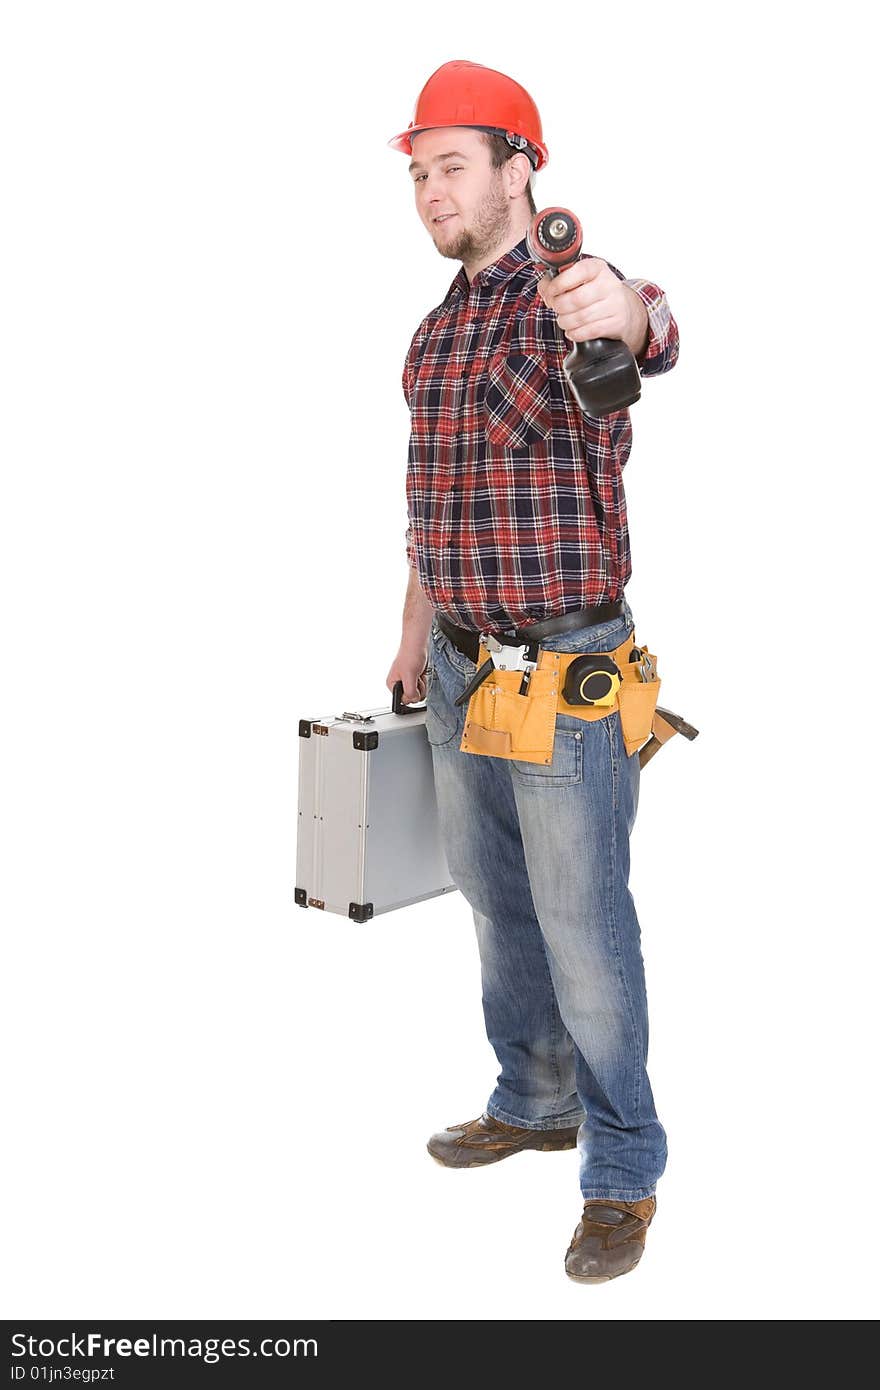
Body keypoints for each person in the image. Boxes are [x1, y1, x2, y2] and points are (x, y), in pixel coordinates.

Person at [385, 60, 680, 1283]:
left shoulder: (566, 294)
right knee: (492, 899)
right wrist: (411, 632)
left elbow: (645, 325)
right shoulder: (434, 333)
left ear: (520, 171)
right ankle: (536, 1094)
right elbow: (429, 505)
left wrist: (631, 312)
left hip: (565, 680)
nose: (429, 189)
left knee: (582, 923)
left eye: (452, 164)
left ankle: (620, 1167)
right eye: (417, 172)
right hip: (460, 666)